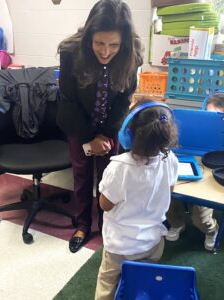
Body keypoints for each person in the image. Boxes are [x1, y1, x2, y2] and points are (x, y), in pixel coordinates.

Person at [57, 0, 144, 253]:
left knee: (109, 178)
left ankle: (107, 224)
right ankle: (82, 224)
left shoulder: (132, 54)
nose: (106, 52)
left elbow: (124, 99)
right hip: (78, 125)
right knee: (82, 177)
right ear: (89, 38)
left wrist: (105, 135)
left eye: (113, 45)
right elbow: (69, 100)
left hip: (109, 129)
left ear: (123, 43)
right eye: (99, 43)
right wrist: (89, 138)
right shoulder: (71, 51)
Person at [94, 100, 179, 300]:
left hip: (120, 245)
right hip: (152, 242)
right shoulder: (171, 160)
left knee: (107, 281)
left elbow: (105, 205)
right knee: (144, 279)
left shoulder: (119, 167)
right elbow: (170, 189)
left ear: (128, 133)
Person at [166, 91, 224, 250]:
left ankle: (211, 230)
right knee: (168, 197)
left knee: (200, 218)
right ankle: (177, 224)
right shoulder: (194, 125)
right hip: (191, 162)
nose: (215, 122)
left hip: (215, 170)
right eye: (211, 116)